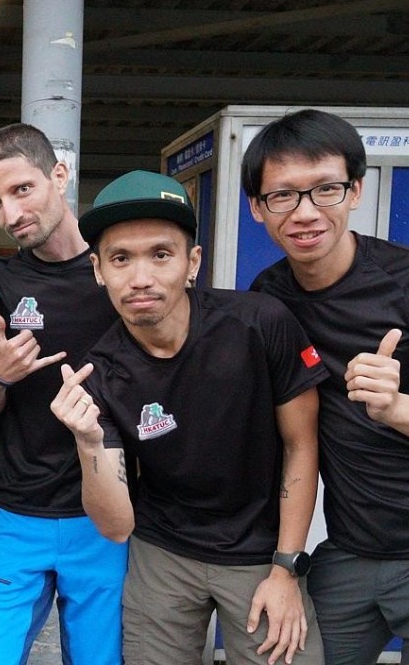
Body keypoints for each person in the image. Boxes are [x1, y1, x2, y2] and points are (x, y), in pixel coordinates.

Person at [52, 170, 327, 665]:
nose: (141, 278)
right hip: (163, 552)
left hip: (261, 552)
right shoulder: (99, 373)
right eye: (121, 258)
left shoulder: (260, 324)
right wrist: (87, 442)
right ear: (98, 269)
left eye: (161, 254)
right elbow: (116, 527)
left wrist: (287, 568)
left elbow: (301, 444)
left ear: (192, 261)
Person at [243, 108, 409, 664]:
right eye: (283, 195)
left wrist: (398, 408)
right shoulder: (268, 298)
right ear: (257, 208)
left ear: (355, 190)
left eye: (326, 189)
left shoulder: (402, 283)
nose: (306, 212)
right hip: (350, 551)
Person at [0, 123, 127, 664]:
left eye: (22, 190)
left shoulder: (117, 272)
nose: (10, 214)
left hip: (103, 516)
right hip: (17, 513)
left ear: (59, 175)